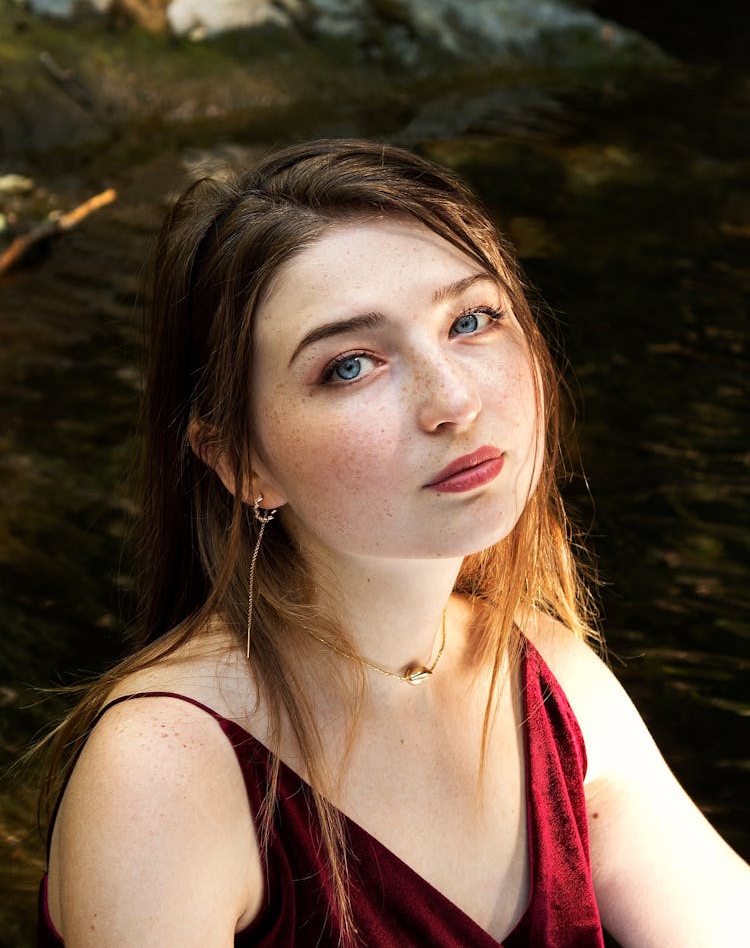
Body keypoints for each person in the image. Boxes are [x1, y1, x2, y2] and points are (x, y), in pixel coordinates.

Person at [37, 139, 747, 947]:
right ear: (239, 460)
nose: (454, 399)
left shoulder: (547, 678)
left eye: (472, 320)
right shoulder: (168, 769)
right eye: (351, 366)